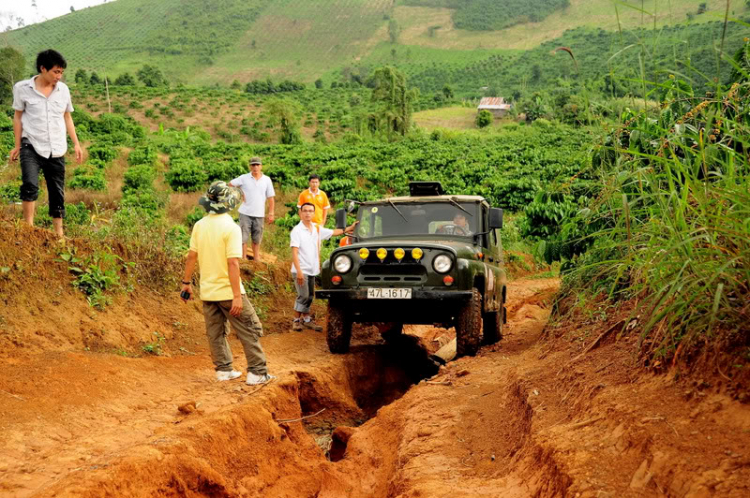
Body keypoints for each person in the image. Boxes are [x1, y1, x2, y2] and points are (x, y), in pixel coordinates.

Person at [181, 181, 275, 385]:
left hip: (208, 292)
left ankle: (224, 370)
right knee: (250, 329)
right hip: (227, 292)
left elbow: (191, 256)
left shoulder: (199, 225)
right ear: (228, 202)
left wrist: (186, 283)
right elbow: (233, 262)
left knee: (215, 333)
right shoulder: (231, 228)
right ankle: (257, 372)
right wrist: (236, 296)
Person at [10, 49, 83, 238]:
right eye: (55, 72)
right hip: (31, 144)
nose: (59, 76)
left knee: (57, 191)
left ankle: (59, 233)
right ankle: (28, 229)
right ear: (43, 69)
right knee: (30, 184)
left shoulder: (63, 90)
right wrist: (17, 145)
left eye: (61, 72)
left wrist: (76, 143)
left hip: (57, 148)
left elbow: (67, 117)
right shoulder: (22, 88)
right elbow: (17, 118)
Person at [290, 202, 358, 331]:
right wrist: (298, 271)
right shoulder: (297, 231)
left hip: (311, 269)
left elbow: (333, 232)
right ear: (300, 213)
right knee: (303, 295)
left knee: (310, 295)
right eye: (305, 211)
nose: (308, 213)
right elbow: (294, 252)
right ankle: (296, 320)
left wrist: (349, 228)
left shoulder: (316, 228)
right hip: (301, 269)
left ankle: (307, 319)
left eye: (310, 211)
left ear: (314, 213)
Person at [229, 157, 275, 262]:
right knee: (243, 236)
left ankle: (256, 258)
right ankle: (244, 258)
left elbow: (271, 198)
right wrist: (240, 192)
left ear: (261, 166)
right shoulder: (244, 178)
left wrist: (271, 213)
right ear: (250, 166)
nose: (255, 167)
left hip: (259, 214)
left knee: (257, 237)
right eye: (253, 165)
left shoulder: (266, 180)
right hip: (245, 212)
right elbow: (230, 184)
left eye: (257, 165)